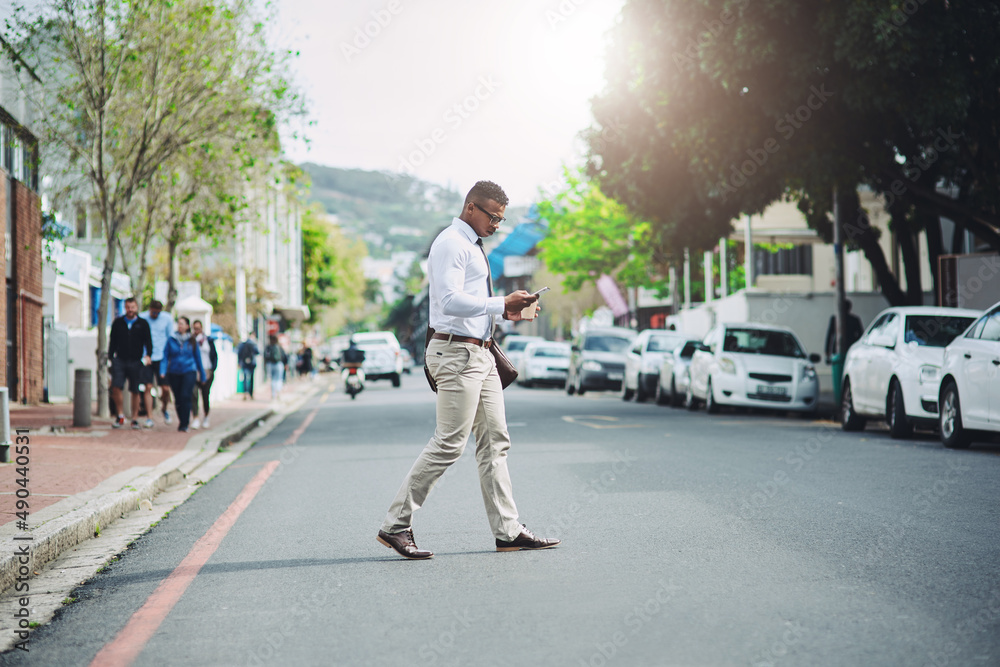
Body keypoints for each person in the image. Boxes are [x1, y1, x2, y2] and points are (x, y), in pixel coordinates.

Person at [377, 180, 559, 560]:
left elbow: (476, 303)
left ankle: (508, 531)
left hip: (482, 353)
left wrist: (509, 310)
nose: (497, 225)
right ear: (471, 208)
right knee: (449, 443)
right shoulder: (451, 244)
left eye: (502, 220)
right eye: (493, 217)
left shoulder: (473, 247)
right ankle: (396, 525)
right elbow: (448, 301)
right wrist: (499, 303)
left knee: (495, 441)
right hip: (455, 353)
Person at [108, 297, 154, 430]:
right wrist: (110, 358)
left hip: (136, 361)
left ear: (137, 308)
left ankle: (134, 418)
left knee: (135, 390)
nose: (130, 310)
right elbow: (112, 342)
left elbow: (148, 342)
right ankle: (120, 415)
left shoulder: (143, 323)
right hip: (120, 360)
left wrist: (148, 356)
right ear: (125, 308)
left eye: (132, 307)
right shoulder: (118, 323)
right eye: (128, 307)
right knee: (116, 387)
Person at [160, 316, 205, 432]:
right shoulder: (171, 339)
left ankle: (185, 423)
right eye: (178, 324)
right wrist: (162, 371)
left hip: (189, 370)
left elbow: (198, 358)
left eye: (182, 324)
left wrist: (202, 375)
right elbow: (165, 356)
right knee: (178, 398)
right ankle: (181, 420)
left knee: (186, 395)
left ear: (187, 326)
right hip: (174, 372)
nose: (180, 326)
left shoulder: (192, 340)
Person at [141, 300, 176, 424]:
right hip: (148, 358)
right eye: (153, 312)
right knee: (148, 387)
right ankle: (149, 417)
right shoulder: (143, 317)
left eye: (157, 313)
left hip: (162, 358)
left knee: (165, 388)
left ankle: (164, 408)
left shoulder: (167, 318)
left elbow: (170, 338)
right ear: (149, 309)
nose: (155, 314)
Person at [190, 320, 218, 430]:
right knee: (194, 394)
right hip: (194, 371)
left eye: (198, 328)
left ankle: (206, 416)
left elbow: (214, 356)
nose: (196, 331)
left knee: (205, 395)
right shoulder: (191, 341)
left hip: (207, 371)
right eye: (194, 329)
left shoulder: (208, 341)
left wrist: (212, 370)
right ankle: (195, 417)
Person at [825, 299, 865, 363]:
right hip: (850, 349)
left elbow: (829, 335)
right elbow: (861, 335)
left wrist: (827, 352)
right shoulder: (854, 319)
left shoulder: (834, 319)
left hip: (839, 350)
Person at [236, 333, 259, 400]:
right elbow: (257, 352)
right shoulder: (254, 344)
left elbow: (239, 353)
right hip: (252, 363)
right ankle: (251, 394)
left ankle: (245, 393)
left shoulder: (243, 344)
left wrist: (239, 363)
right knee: (251, 379)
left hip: (244, 363)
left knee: (245, 378)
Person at [264, 335, 286, 401]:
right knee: (279, 379)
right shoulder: (279, 347)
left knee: (273, 380)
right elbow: (284, 356)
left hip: (270, 364)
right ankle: (279, 393)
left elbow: (265, 356)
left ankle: (273, 395)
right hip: (279, 364)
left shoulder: (268, 347)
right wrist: (285, 364)